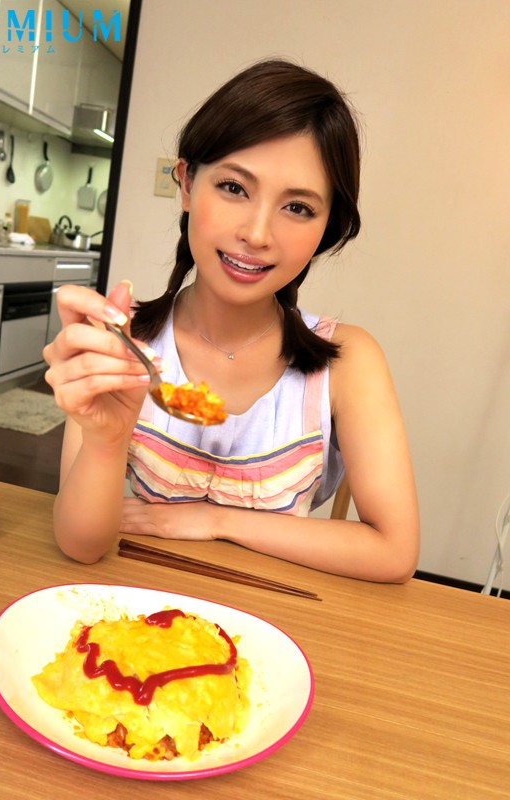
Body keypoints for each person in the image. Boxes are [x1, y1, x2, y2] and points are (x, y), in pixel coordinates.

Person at [43, 59, 420, 582]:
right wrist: (106, 441)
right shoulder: (121, 343)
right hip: (138, 611)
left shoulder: (350, 360)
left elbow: (394, 552)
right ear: (186, 184)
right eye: (235, 188)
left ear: (325, 227)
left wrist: (216, 520)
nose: (257, 234)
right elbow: (80, 547)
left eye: (298, 208)